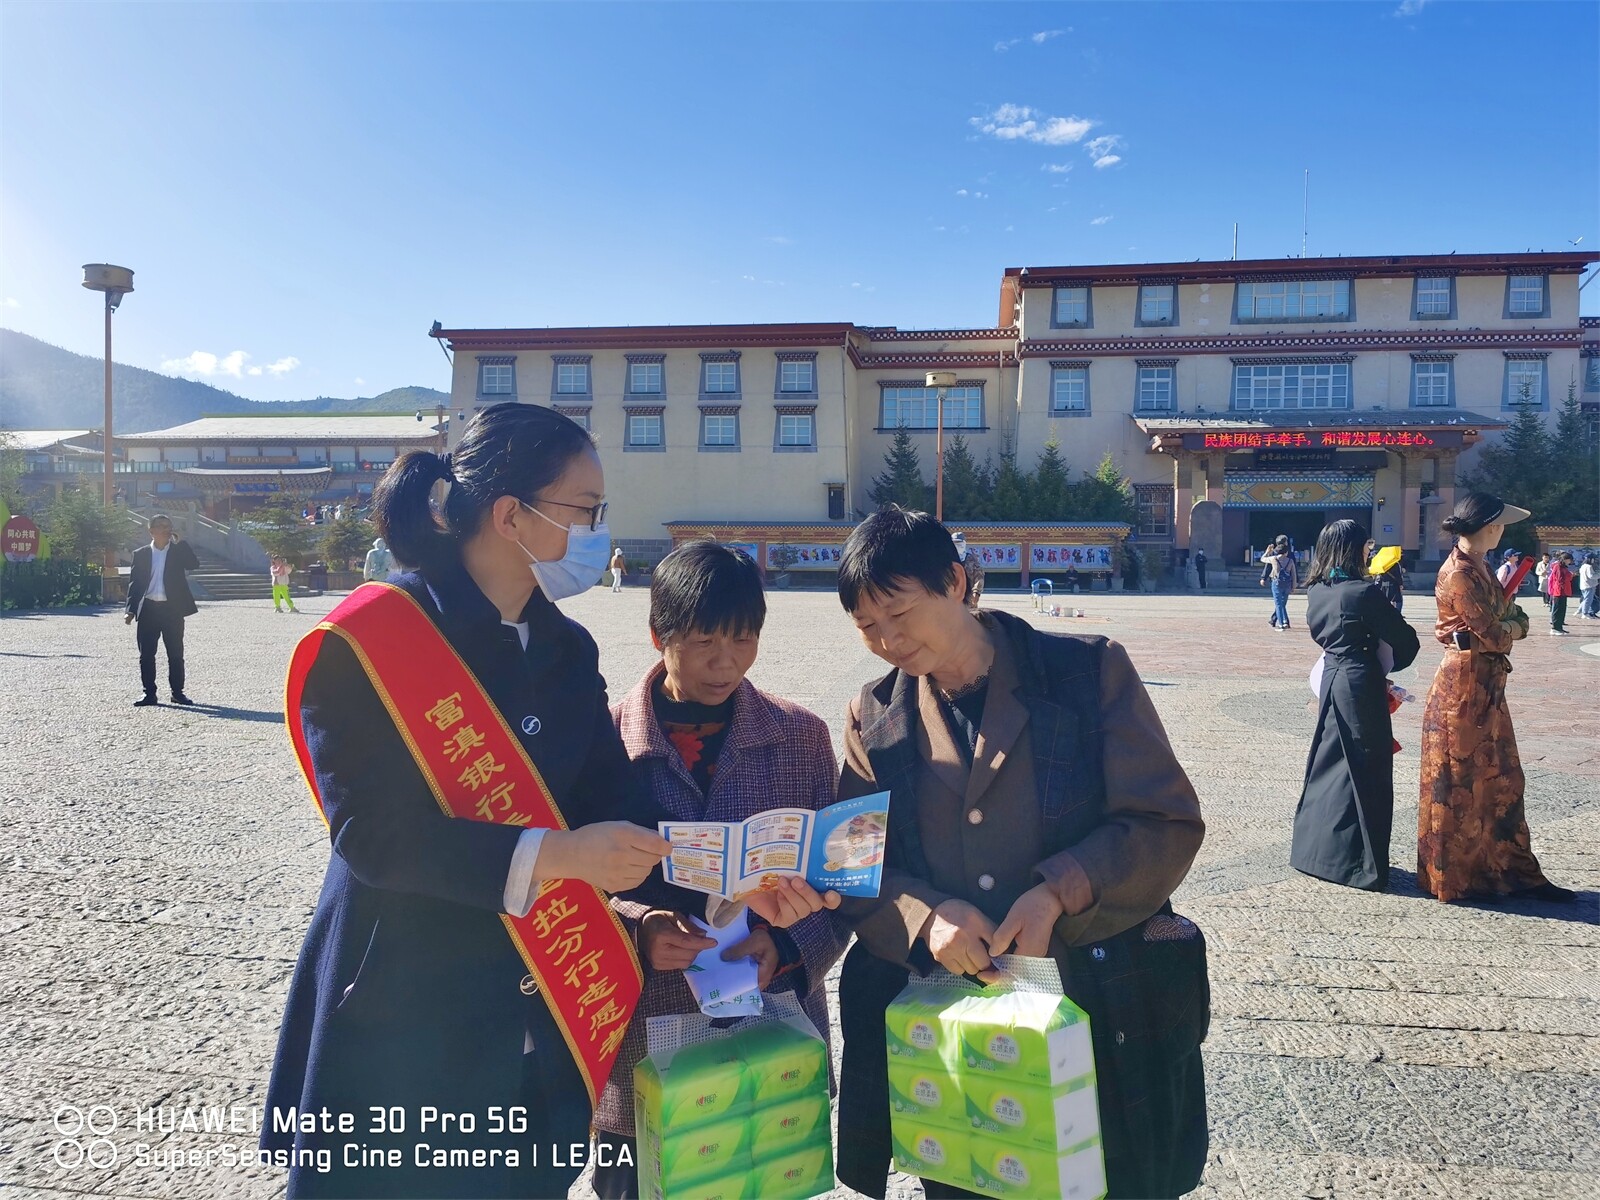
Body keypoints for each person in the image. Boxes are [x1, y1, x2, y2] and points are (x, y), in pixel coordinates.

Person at [261, 404, 832, 1199]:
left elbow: (620, 811)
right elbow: (373, 836)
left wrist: (729, 884)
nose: (599, 532)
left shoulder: (566, 648)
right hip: (405, 1018)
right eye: (586, 510)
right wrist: (558, 855)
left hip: (540, 1024)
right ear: (510, 516)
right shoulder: (374, 640)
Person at [830, 507, 1209, 1200]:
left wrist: (1061, 889)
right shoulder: (875, 715)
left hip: (1096, 1007)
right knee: (964, 1180)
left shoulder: (1085, 671)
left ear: (955, 582)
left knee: (1101, 1176)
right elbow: (851, 867)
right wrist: (925, 917)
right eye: (866, 626)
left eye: (900, 613)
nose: (887, 641)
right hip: (953, 1030)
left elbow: (1165, 823)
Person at [591, 542, 849, 1199]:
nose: (725, 662)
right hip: (642, 1044)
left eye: (743, 639)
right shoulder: (606, 742)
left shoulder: (801, 737)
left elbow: (842, 885)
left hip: (770, 1039)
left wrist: (787, 943)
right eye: (705, 641)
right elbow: (570, 887)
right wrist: (639, 927)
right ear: (659, 635)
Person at [1417, 493, 1575, 905]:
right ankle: (1461, 876)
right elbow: (1496, 634)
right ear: (1490, 527)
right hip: (1463, 688)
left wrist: (1511, 624)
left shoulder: (1479, 565)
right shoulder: (1460, 573)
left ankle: (1508, 870)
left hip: (1485, 681)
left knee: (1501, 780)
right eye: (1500, 524)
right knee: (1462, 782)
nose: (1502, 531)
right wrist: (1512, 627)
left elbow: (1510, 620)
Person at [1290, 521, 1420, 892]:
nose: (1369, 552)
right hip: (1360, 682)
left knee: (1329, 762)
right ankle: (1358, 863)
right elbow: (1406, 642)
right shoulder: (1364, 592)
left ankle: (1315, 852)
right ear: (1355, 548)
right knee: (1367, 769)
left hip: (1331, 677)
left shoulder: (1317, 592)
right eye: (1366, 546)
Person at [124, 514, 200, 707]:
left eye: (168, 526)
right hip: (148, 609)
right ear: (151, 531)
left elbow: (193, 564)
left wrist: (182, 542)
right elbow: (135, 583)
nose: (166, 529)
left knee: (175, 654)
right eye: (161, 526)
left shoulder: (177, 551)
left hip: (172, 609)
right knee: (146, 655)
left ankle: (177, 693)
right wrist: (130, 610)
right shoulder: (141, 554)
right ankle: (149, 694)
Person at [1261, 535, 1297, 630]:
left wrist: (1267, 552)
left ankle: (1280, 623)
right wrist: (1294, 586)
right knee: (1283, 603)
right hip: (1287, 584)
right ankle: (1285, 622)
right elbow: (1294, 574)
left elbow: (1263, 559)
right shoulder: (1290, 560)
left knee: (1278, 604)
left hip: (1276, 583)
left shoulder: (1274, 558)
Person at [1364, 540, 1405, 613]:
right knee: (1398, 600)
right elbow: (1398, 575)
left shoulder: (1380, 564)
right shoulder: (1395, 564)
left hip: (1382, 584)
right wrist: (1401, 584)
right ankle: (1397, 613)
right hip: (1393, 584)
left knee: (1383, 599)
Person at [1546, 551, 1574, 635]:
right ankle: (1555, 628)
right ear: (1565, 559)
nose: (1570, 562)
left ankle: (1560, 627)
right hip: (1559, 591)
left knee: (1562, 609)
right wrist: (1569, 576)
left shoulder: (1563, 567)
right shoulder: (1557, 566)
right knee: (1557, 610)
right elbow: (1559, 579)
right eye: (1569, 560)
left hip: (1563, 591)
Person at [1580, 552, 1599, 619]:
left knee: (1586, 599)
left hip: (1584, 585)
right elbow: (1591, 576)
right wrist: (1598, 574)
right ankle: (1585, 613)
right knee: (1588, 600)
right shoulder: (1589, 566)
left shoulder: (1583, 566)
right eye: (1594, 559)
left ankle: (1582, 611)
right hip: (1589, 585)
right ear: (1590, 559)